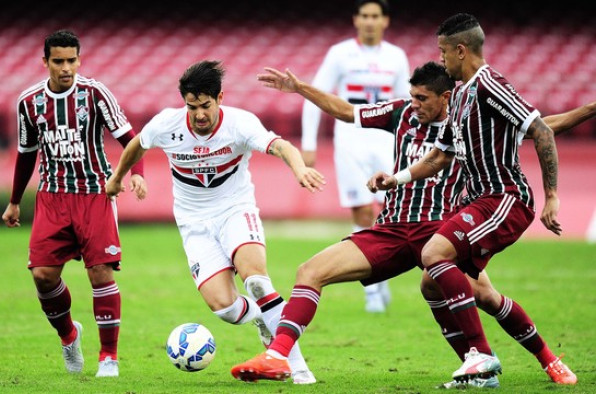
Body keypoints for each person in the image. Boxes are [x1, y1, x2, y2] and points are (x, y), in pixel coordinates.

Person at [230, 63, 590, 386]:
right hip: (392, 228)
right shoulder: (401, 113)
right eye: (412, 96)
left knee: (487, 298)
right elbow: (347, 111)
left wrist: (591, 109)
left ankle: (549, 360)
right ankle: (277, 356)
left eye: (422, 98)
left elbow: (545, 126)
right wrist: (301, 88)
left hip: (442, 231)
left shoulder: (471, 121)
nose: (414, 103)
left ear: (445, 97)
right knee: (310, 270)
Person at [369, 13, 569, 383]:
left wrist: (551, 196)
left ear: (461, 51)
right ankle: (542, 361)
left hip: (505, 198)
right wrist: (394, 179)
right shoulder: (459, 95)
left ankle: (480, 357)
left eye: (443, 52)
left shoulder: (490, 85)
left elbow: (541, 130)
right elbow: (440, 155)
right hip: (475, 202)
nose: (441, 59)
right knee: (438, 282)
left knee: (432, 255)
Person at [105, 60, 325, 384]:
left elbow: (280, 145)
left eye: (205, 105)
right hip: (194, 224)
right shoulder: (168, 124)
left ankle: (293, 364)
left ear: (220, 97)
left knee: (258, 281)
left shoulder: (239, 123)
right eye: (192, 107)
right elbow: (138, 144)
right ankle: (263, 319)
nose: (199, 114)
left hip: (235, 210)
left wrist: (299, 168)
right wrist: (117, 177)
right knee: (225, 308)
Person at [1, 29, 147, 378]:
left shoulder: (95, 94)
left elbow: (132, 138)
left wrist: (136, 174)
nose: (66, 67)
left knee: (100, 273)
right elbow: (26, 154)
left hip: (96, 192)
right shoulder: (30, 102)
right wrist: (14, 202)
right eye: (58, 61)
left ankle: (108, 357)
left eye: (71, 60)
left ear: (79, 60)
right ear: (46, 62)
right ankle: (69, 336)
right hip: (52, 197)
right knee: (42, 276)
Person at [302, 0, 411, 313]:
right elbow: (316, 96)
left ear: (385, 21)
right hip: (349, 140)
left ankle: (381, 272)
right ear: (356, 19)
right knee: (363, 211)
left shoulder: (396, 56)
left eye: (375, 16)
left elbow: (407, 103)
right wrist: (309, 142)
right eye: (364, 16)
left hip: (385, 140)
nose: (369, 22)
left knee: (392, 212)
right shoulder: (340, 54)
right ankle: (373, 290)